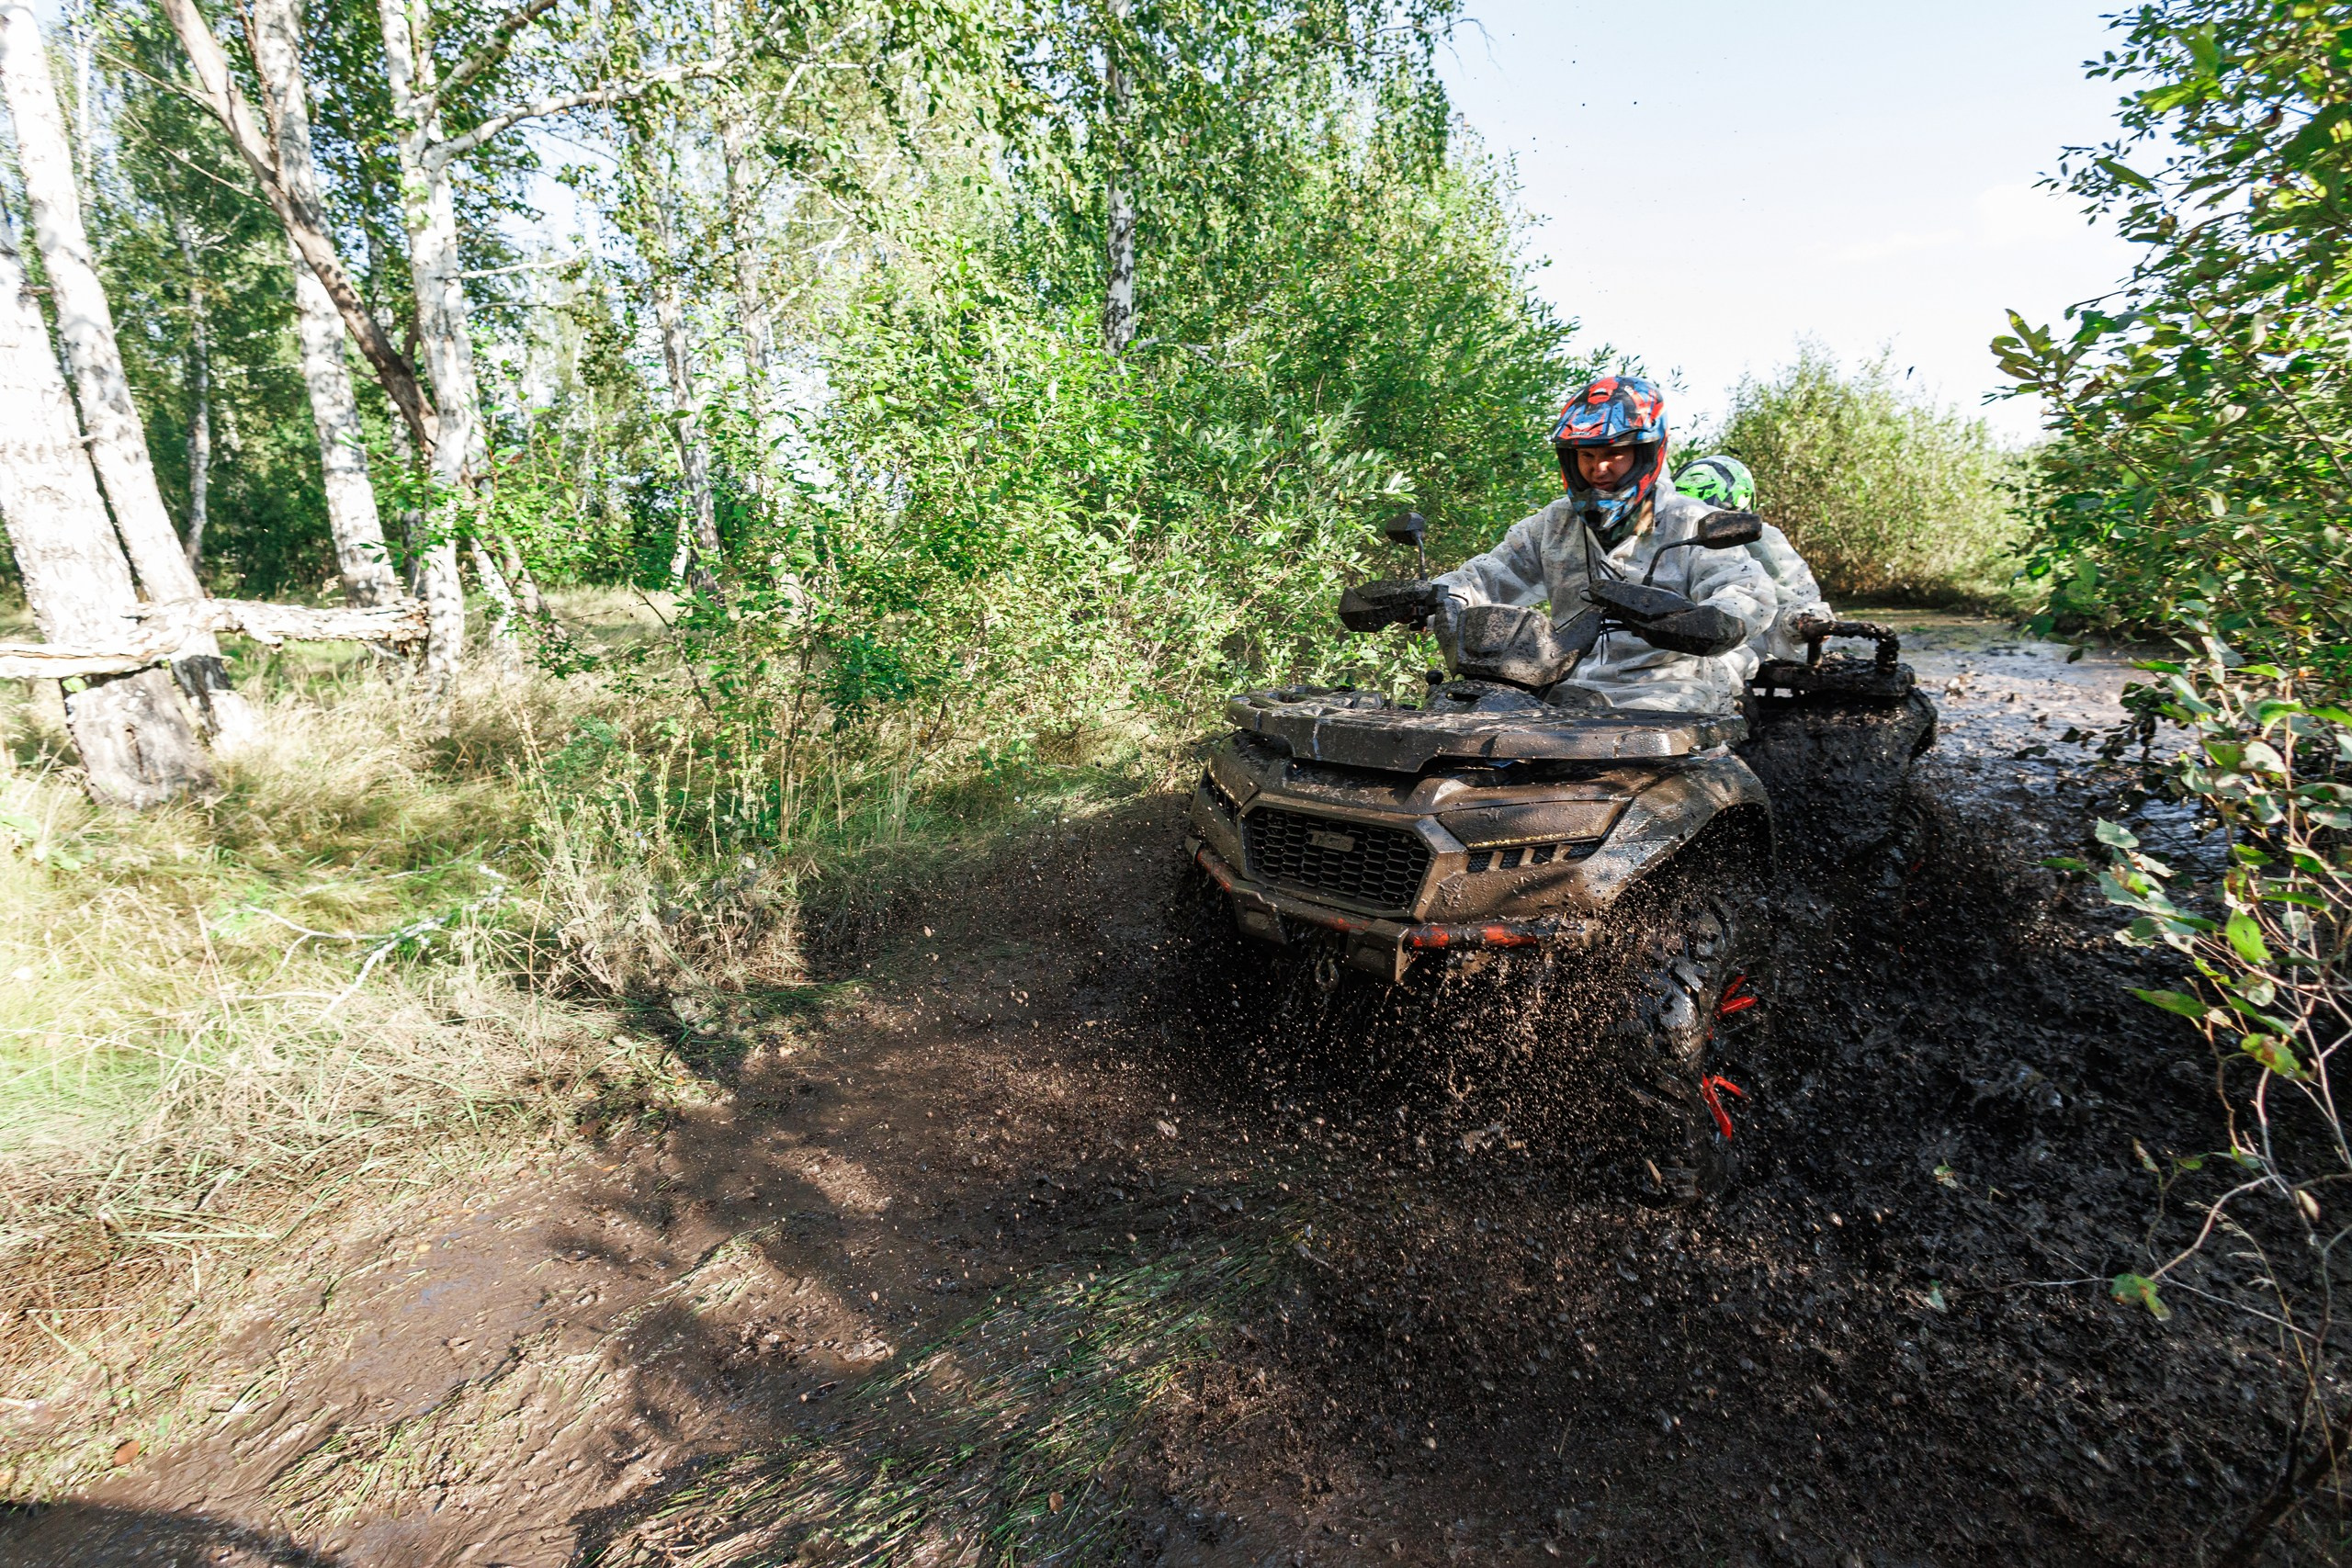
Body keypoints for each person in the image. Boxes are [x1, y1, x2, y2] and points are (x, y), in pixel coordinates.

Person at [1429, 376, 1773, 716]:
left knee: (1636, 747)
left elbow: (1747, 589)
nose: (1599, 468)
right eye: (1587, 454)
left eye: (1614, 453)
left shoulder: (1690, 521)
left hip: (1668, 689)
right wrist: (1433, 596)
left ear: (1646, 454)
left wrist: (1715, 621)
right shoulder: (1554, 523)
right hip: (1564, 684)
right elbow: (1486, 577)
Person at [1673, 453, 1832, 664]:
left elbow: (1796, 600)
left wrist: (1801, 622)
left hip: (1748, 649)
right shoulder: (1670, 539)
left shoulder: (1764, 541)